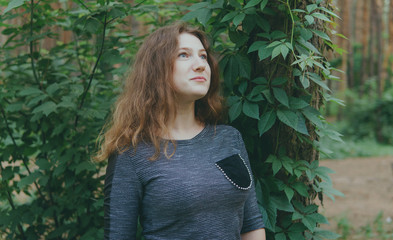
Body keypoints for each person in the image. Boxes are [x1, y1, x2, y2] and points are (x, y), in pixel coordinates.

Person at [96, 22, 266, 240]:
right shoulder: (132, 153)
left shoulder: (229, 139)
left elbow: (251, 225)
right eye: (184, 55)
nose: (200, 65)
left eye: (203, 56)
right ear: (156, 69)